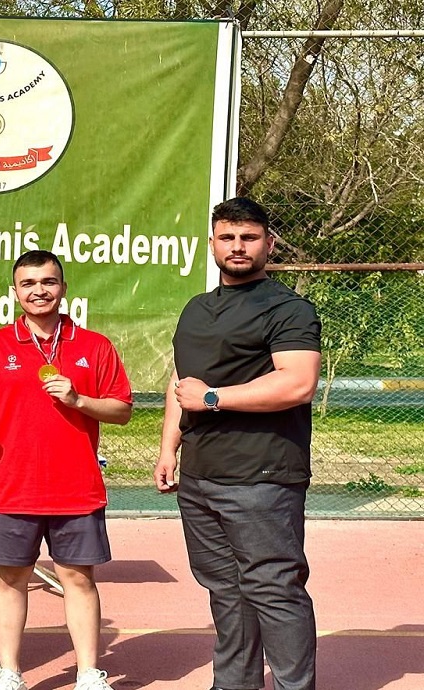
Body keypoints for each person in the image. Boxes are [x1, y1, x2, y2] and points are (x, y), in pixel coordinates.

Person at [0, 250, 133, 690]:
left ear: (63, 287)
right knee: (10, 579)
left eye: (47, 282)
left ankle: (88, 674)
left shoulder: (94, 346)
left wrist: (78, 400)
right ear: (15, 292)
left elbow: (121, 410)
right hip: (12, 487)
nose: (38, 291)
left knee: (79, 580)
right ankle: (9, 673)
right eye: (28, 284)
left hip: (76, 488)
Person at [153, 197, 321, 690]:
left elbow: (296, 383)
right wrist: (169, 446)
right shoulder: (197, 308)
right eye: (227, 237)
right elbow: (181, 382)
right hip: (201, 480)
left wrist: (213, 398)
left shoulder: (287, 308)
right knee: (225, 592)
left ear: (268, 243)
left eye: (249, 237)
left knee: (274, 590)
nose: (238, 246)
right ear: (212, 245)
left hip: (262, 478)